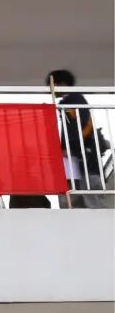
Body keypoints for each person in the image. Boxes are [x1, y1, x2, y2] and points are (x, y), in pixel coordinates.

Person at [48, 69, 114, 209]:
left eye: (53, 84)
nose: (51, 89)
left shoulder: (74, 100)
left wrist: (69, 148)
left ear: (62, 84)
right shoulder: (70, 102)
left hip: (84, 157)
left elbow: (84, 126)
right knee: (79, 197)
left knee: (91, 198)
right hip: (78, 158)